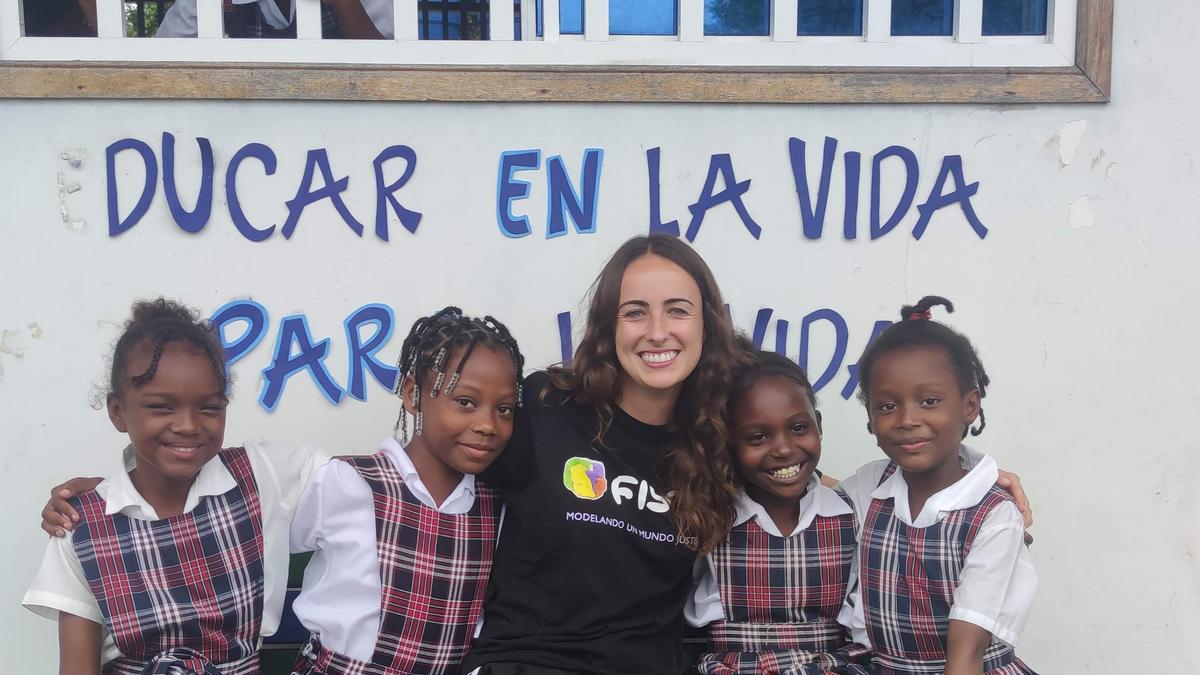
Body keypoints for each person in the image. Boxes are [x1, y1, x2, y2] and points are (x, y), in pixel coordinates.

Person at [462, 234, 749, 675]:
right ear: (608, 326)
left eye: (677, 310)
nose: (657, 331)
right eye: (635, 312)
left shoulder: (718, 439)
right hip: (525, 662)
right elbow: (444, 465)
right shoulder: (545, 406)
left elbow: (799, 474)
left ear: (706, 326)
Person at [22, 298, 323, 675]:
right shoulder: (80, 527)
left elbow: (370, 479)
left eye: (209, 407)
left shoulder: (262, 476)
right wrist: (102, 497)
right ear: (118, 412)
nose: (187, 425)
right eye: (161, 407)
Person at [288, 307, 525, 675]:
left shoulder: (496, 510)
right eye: (465, 402)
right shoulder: (349, 482)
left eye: (505, 409)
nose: (487, 425)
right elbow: (258, 544)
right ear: (414, 395)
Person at [838, 296, 1037, 675]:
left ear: (970, 406)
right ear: (870, 419)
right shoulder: (869, 486)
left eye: (929, 401)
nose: (907, 419)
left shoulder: (994, 515)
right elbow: (807, 493)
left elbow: (967, 651)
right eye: (887, 406)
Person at [687, 347, 871, 674]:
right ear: (729, 442)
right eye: (758, 437)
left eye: (798, 428)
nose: (784, 449)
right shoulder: (710, 518)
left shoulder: (849, 515)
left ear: (818, 424)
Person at [156, 0, 392, 39]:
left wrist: (345, 4)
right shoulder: (200, 5)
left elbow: (393, 70)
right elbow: (161, 64)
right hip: (252, 131)